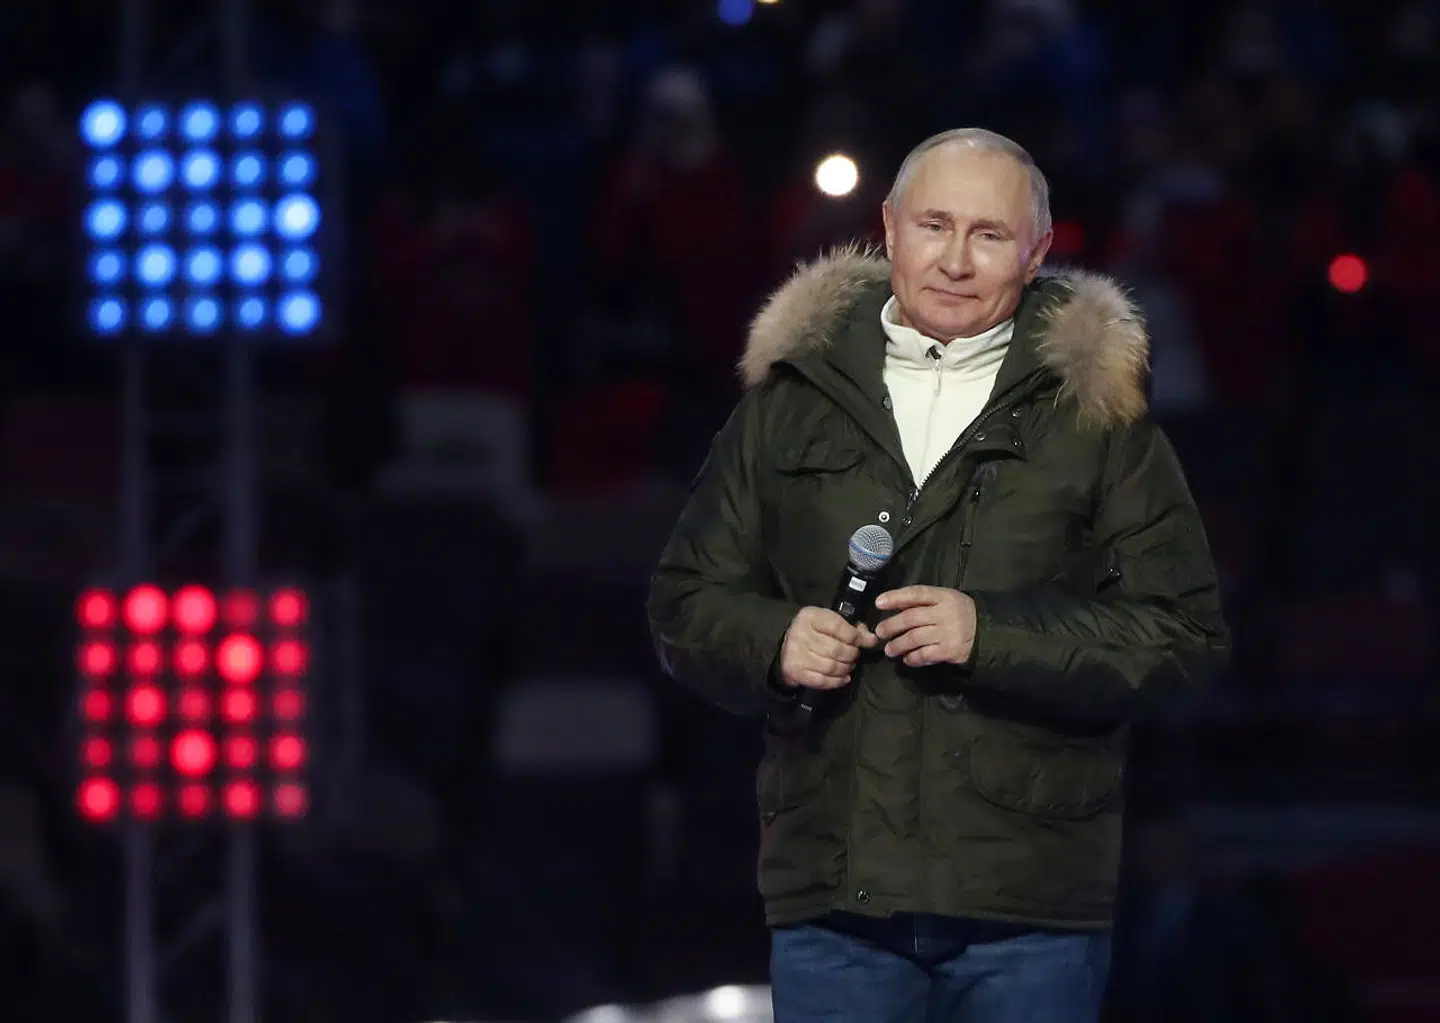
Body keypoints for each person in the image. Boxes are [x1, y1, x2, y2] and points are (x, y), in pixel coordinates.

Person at [646, 128, 1231, 1023]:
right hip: (836, 902)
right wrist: (775, 639)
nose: (955, 260)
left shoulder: (1097, 415)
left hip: (1028, 911)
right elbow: (684, 603)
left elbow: (1186, 638)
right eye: (935, 225)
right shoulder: (791, 400)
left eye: (990, 235)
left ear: (1036, 251)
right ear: (889, 228)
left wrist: (991, 636)